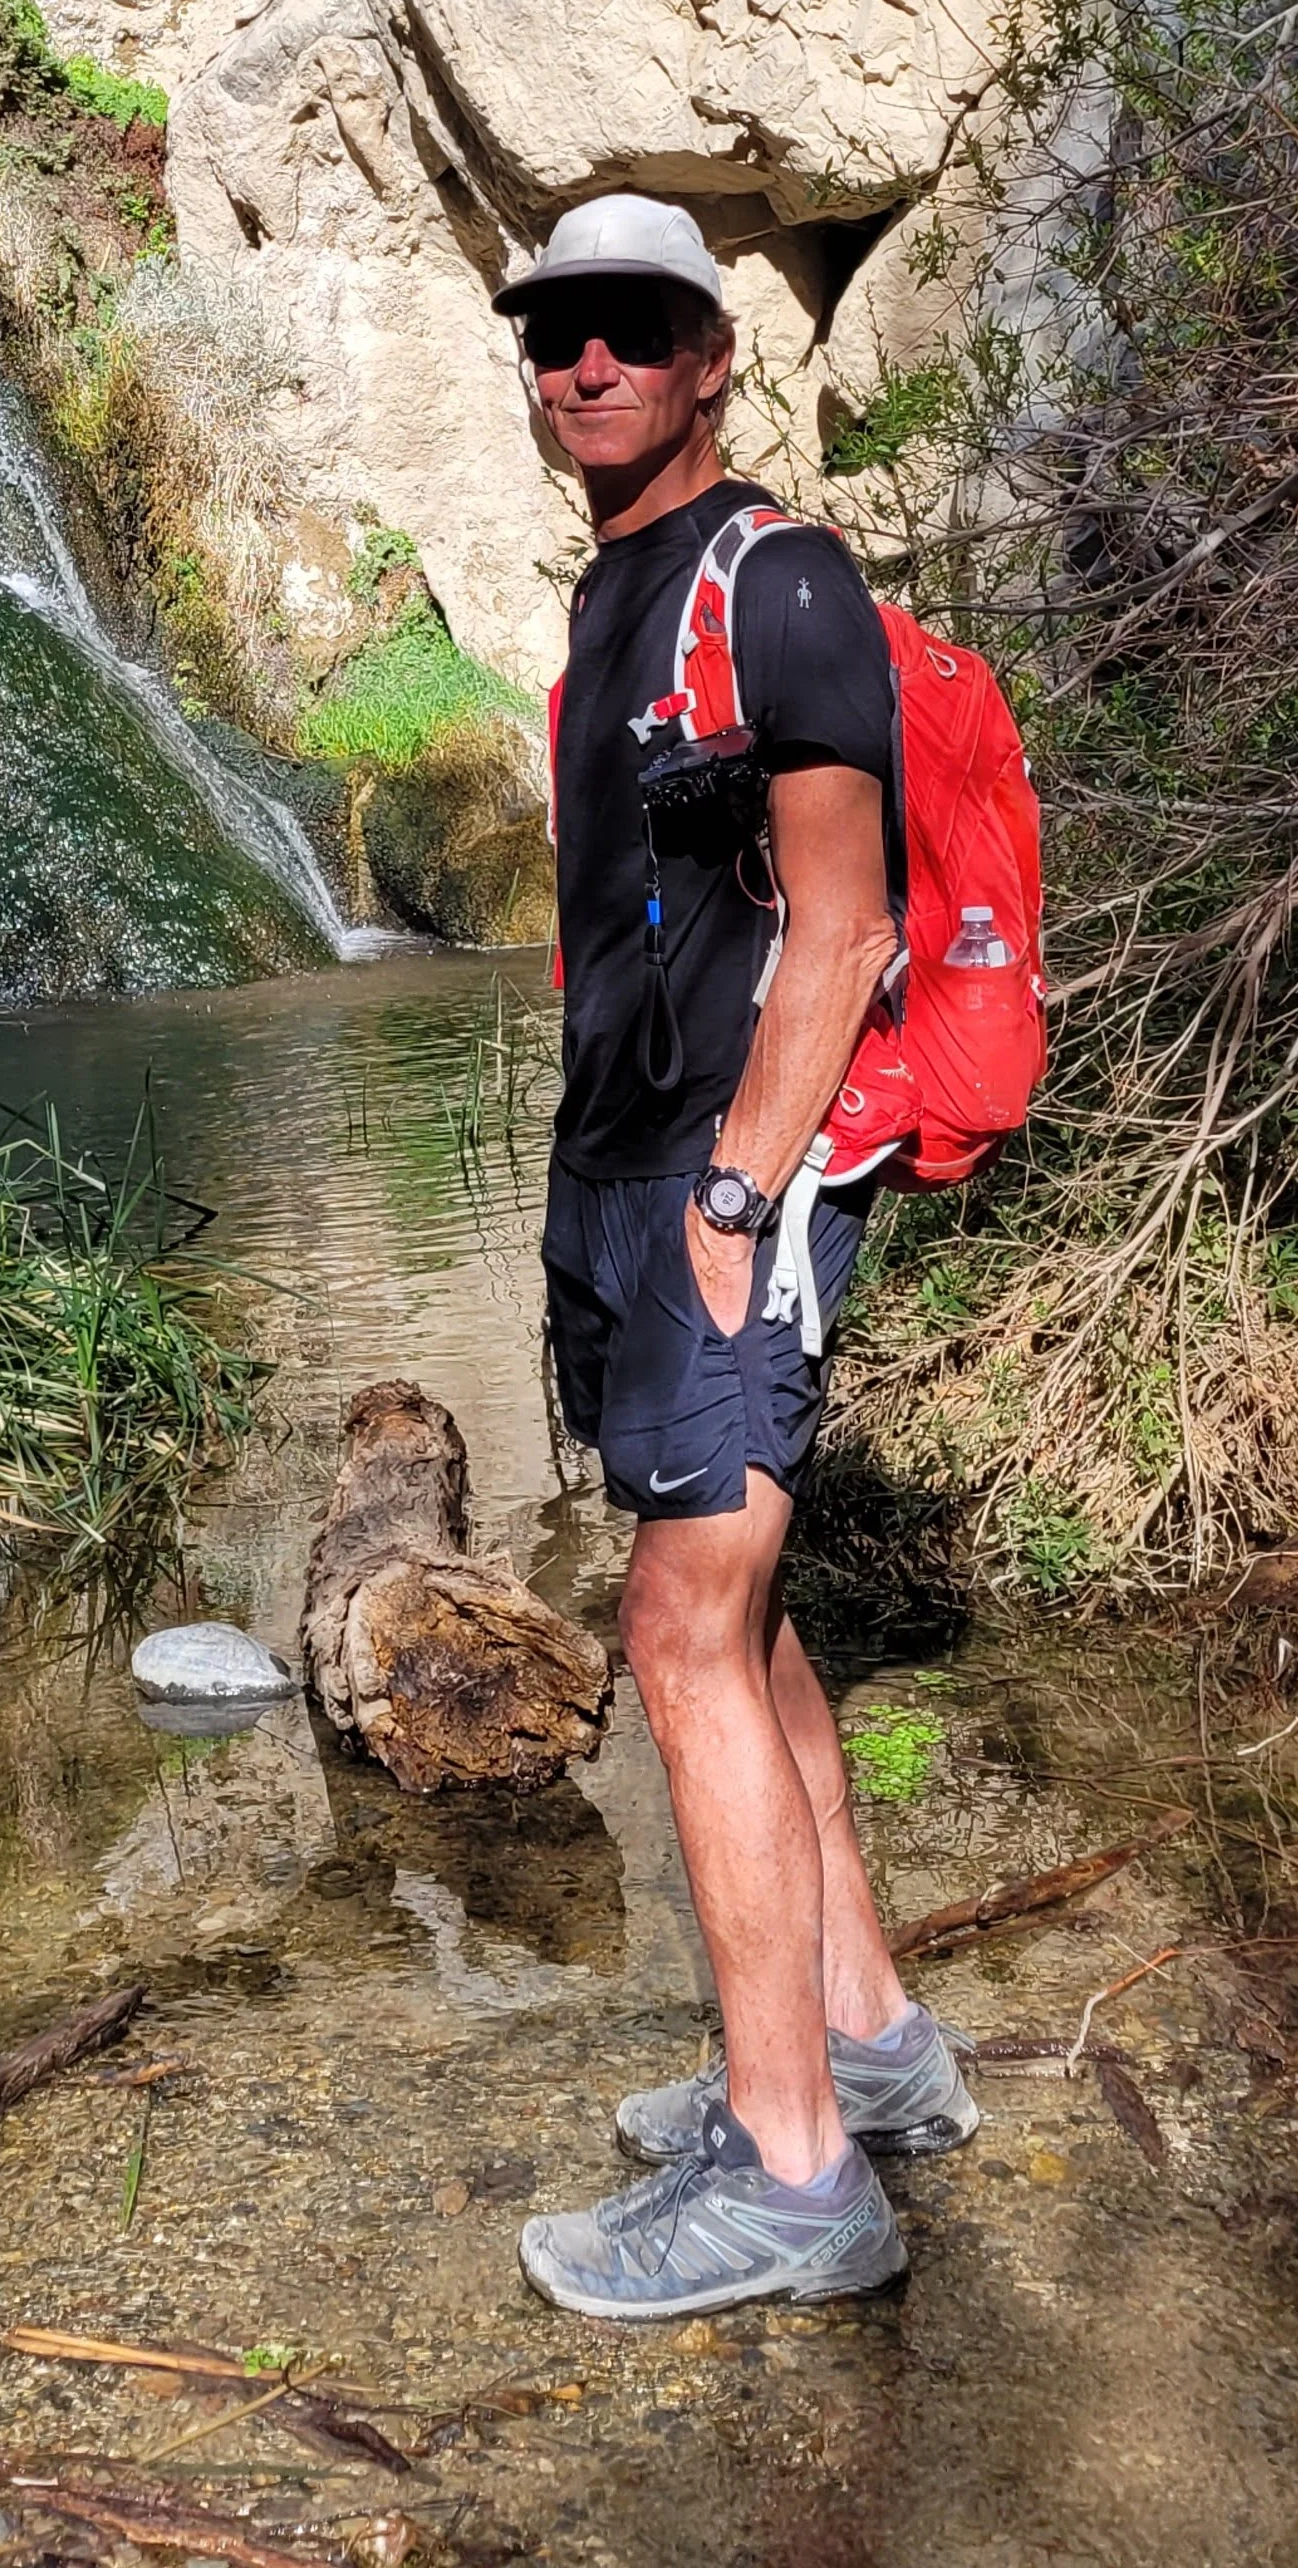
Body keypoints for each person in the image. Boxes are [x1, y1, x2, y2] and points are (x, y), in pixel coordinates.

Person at [500, 194, 977, 2325]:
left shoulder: (776, 578)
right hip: (627, 1171)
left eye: (631, 328)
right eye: (555, 335)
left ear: (711, 356)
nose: (586, 364)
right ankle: (861, 2043)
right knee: (743, 1615)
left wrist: (733, 1197)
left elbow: (848, 923)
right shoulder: (617, 594)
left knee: (681, 1630)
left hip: (730, 1185)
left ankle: (796, 2181)